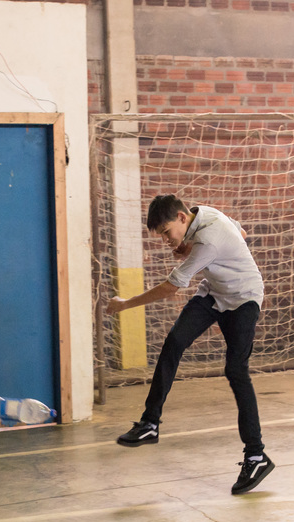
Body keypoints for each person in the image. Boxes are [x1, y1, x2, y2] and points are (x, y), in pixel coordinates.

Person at [106, 194, 274, 495]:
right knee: (174, 342)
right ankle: (149, 424)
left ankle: (256, 455)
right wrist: (190, 247)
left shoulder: (208, 239)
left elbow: (170, 287)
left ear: (182, 218)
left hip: (243, 298)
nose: (166, 240)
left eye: (167, 232)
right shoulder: (203, 213)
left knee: (236, 371)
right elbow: (241, 232)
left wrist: (125, 304)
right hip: (213, 294)